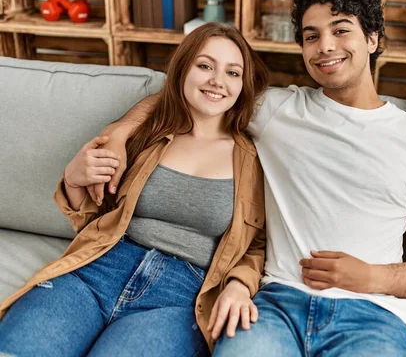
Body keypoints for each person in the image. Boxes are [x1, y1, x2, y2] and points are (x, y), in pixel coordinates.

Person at [82, 0, 406, 357]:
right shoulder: (277, 109)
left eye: (341, 30)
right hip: (274, 306)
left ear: (372, 39)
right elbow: (183, 98)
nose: (325, 46)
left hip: (372, 315)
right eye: (311, 36)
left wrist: (371, 276)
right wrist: (118, 133)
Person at [0, 22, 270, 356]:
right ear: (183, 69)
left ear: (244, 85)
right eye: (205, 66)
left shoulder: (252, 159)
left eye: (232, 72)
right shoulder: (146, 134)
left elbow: (256, 244)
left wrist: (241, 285)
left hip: (179, 298)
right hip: (97, 270)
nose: (217, 81)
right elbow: (91, 218)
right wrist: (73, 179)